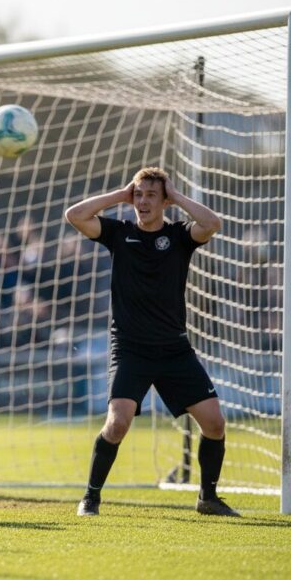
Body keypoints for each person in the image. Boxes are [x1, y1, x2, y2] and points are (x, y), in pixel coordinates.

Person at [65, 167, 236, 517]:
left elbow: (213, 223)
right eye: (139, 195)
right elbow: (75, 215)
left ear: (165, 201)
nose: (142, 202)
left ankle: (207, 498)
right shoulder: (118, 232)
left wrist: (177, 196)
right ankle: (91, 497)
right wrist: (120, 194)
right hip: (130, 348)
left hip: (174, 349)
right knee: (118, 423)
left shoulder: (179, 236)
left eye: (151, 196)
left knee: (215, 423)